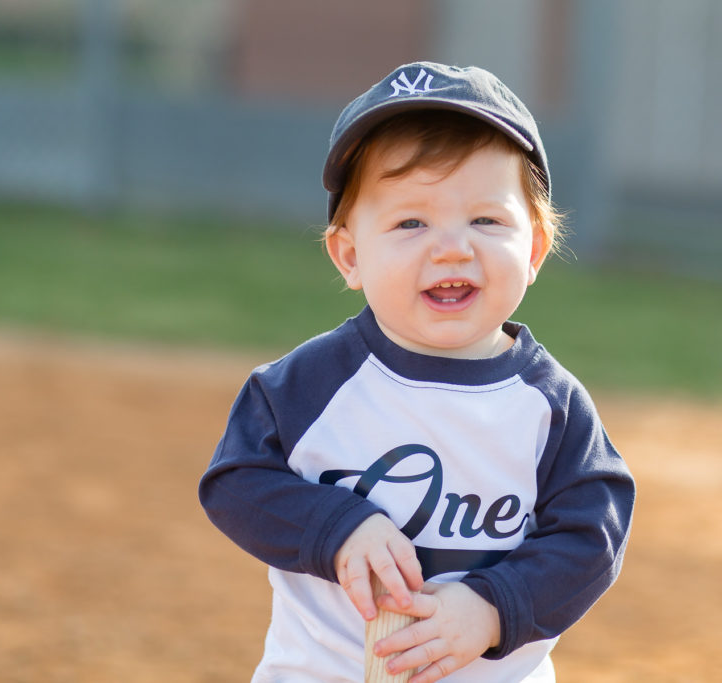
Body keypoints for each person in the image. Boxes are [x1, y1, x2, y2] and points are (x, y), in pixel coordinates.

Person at [199, 61, 635, 683]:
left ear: (534, 248)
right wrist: (337, 527)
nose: (452, 246)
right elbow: (236, 482)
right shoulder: (311, 384)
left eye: (486, 220)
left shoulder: (549, 407)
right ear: (351, 255)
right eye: (410, 222)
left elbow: (593, 537)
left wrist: (491, 606)